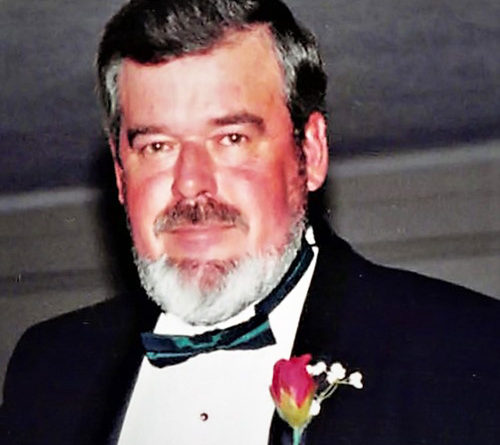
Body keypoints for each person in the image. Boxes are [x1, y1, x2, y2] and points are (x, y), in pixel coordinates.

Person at [1, 0, 498, 444]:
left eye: (231, 139)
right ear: (119, 174)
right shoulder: (48, 368)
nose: (190, 185)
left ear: (311, 152)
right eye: (157, 147)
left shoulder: (464, 354)